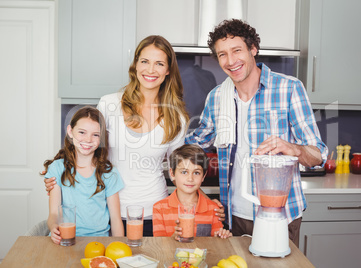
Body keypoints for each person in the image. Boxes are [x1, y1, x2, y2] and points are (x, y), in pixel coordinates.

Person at [44, 35, 225, 236]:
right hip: (104, 211)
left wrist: (206, 205)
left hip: (153, 213)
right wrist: (58, 175)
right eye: (145, 61)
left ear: (167, 70)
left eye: (159, 63)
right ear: (135, 65)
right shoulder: (109, 104)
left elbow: (182, 169)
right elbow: (85, 147)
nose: (150, 70)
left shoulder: (176, 117)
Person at [185, 19, 328, 247]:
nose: (230, 61)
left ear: (253, 49)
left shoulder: (289, 89)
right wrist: (166, 141)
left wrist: (292, 148)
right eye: (222, 54)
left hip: (278, 216)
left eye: (237, 50)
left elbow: (318, 156)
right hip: (233, 216)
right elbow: (196, 144)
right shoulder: (217, 97)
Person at [45, 106, 124, 244]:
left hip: (99, 242)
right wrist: (53, 227)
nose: (88, 139)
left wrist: (119, 248)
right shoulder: (57, 169)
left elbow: (116, 220)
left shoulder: (109, 173)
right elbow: (53, 214)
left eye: (95, 135)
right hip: (66, 240)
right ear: (70, 131)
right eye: (82, 132)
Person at [153, 144, 232, 240]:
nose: (190, 178)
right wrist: (173, 238)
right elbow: (159, 245)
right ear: (172, 174)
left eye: (196, 173)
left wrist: (221, 236)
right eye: (184, 172)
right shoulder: (159, 208)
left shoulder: (213, 209)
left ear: (203, 176)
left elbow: (216, 242)